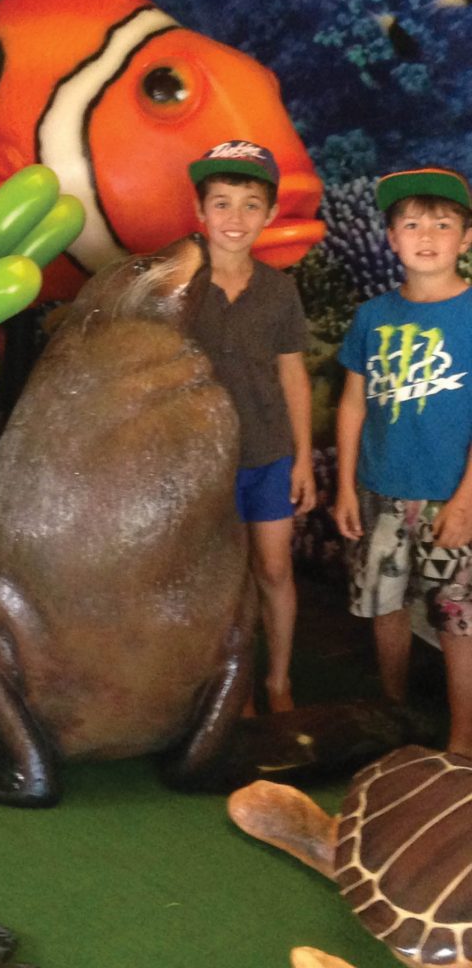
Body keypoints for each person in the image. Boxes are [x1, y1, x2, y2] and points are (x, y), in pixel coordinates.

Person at [332, 165, 472, 756]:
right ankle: (394, 718)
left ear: (466, 238)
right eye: (411, 223)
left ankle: (463, 738)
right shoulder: (373, 316)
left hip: (451, 496)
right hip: (380, 490)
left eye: (443, 223)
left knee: (456, 620)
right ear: (390, 237)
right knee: (384, 608)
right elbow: (352, 403)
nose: (426, 235)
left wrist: (466, 500)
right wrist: (343, 486)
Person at [186, 140, 317, 713]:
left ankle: (278, 681)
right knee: (220, 577)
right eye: (221, 203)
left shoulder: (279, 290)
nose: (234, 218)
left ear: (268, 215)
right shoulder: (178, 287)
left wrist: (304, 458)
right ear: (200, 212)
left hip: (268, 454)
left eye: (249, 204)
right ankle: (228, 687)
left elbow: (293, 376)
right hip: (199, 460)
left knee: (272, 566)